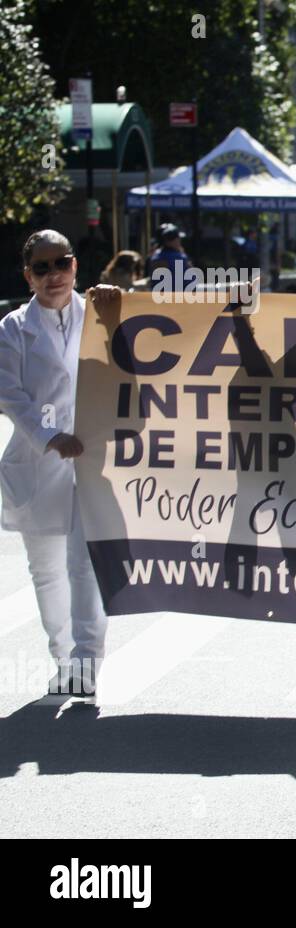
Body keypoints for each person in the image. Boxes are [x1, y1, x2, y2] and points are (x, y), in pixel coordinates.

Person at [0, 231, 120, 697]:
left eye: (62, 263)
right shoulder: (12, 329)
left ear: (75, 265)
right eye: (42, 268)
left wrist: (116, 306)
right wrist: (50, 438)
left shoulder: (99, 313)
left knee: (86, 564)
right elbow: (11, 396)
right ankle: (64, 656)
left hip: (92, 463)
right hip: (38, 463)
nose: (54, 275)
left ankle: (87, 662)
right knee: (47, 570)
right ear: (28, 276)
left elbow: (133, 355)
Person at [147, 223, 191, 291]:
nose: (179, 241)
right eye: (177, 239)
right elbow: (190, 281)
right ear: (169, 242)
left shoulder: (154, 257)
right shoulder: (180, 257)